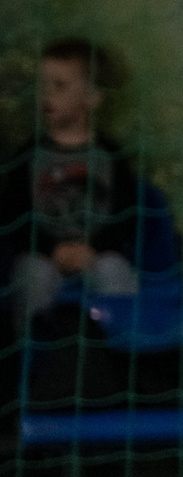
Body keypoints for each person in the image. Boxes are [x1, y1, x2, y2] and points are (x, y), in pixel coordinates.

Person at [5, 40, 142, 331]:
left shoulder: (111, 155)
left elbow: (126, 214)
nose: (47, 96)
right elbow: (15, 214)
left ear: (92, 97)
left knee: (115, 271)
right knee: (32, 276)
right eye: (43, 87)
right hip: (43, 256)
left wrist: (93, 249)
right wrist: (50, 249)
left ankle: (118, 352)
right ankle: (32, 354)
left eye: (59, 87)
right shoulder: (29, 156)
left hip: (96, 254)